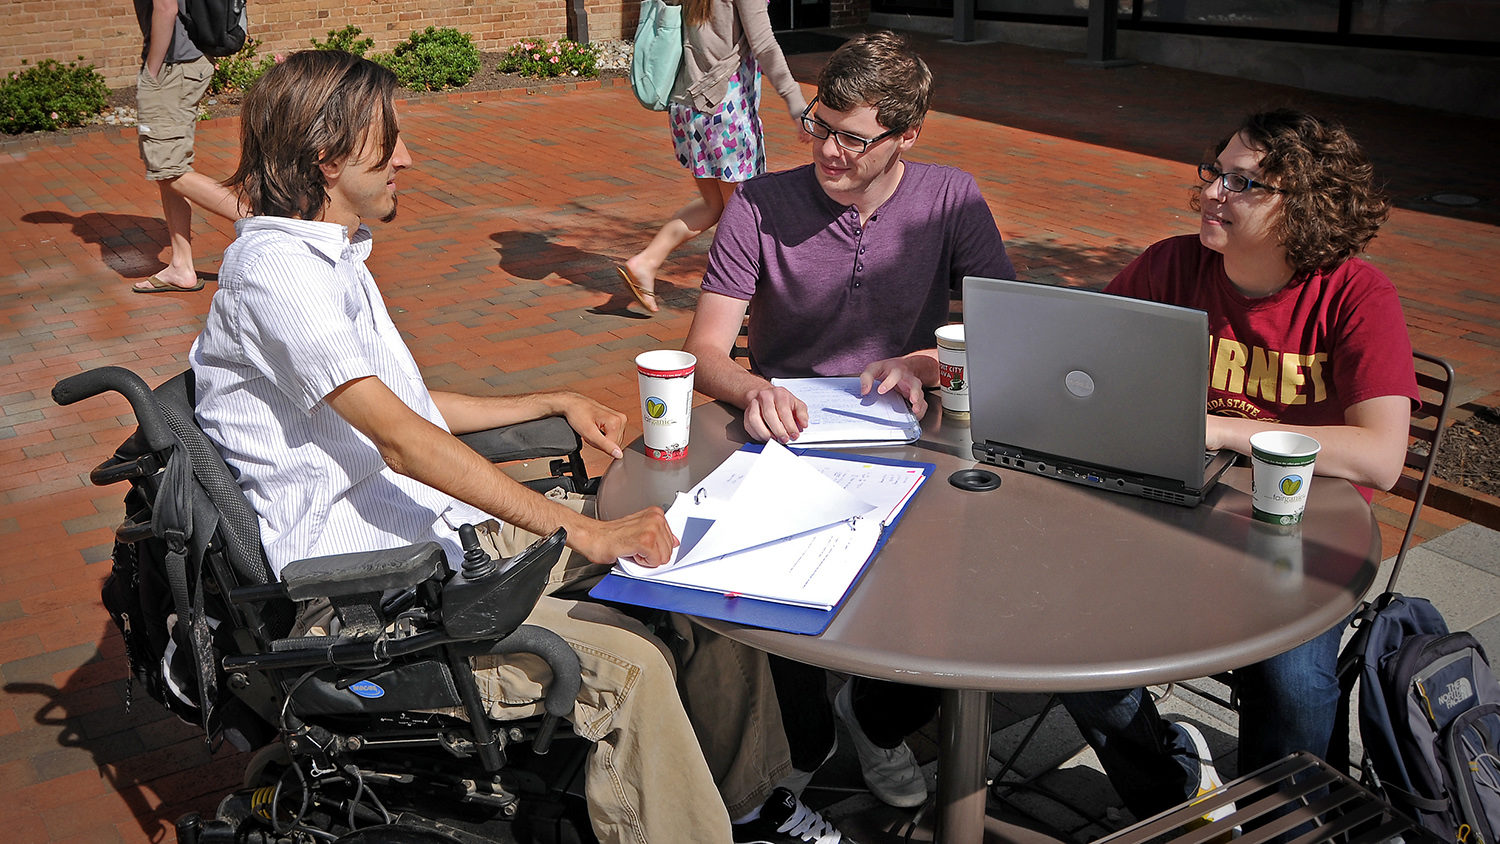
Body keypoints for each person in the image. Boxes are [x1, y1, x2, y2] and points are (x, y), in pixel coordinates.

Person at [189, 50, 856, 844]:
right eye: (388, 140)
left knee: (693, 575)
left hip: (435, 542)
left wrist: (551, 398)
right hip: (372, 593)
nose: (406, 156)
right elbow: (404, 442)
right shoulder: (279, 274)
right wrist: (582, 530)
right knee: (629, 671)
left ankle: (751, 805)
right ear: (328, 158)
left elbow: (397, 404)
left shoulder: (325, 252)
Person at [681, 31, 1015, 807]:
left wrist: (929, 364)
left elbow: (1007, 326)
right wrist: (748, 387)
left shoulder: (950, 196)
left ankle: (875, 719)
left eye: (855, 140)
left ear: (907, 136)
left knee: (951, 606)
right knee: (772, 604)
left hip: (915, 438)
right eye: (821, 127)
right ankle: (806, 738)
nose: (831, 152)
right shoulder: (762, 204)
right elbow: (704, 349)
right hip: (787, 440)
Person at [1059, 109, 1420, 824]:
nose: (1212, 193)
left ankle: (1280, 825)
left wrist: (1221, 429)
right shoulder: (1173, 264)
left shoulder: (1354, 294)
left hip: (1300, 534)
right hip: (1173, 516)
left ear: (1305, 206)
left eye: (1243, 182)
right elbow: (1079, 358)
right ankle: (1175, 796)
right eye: (1214, 172)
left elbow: (1381, 455)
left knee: (1294, 681)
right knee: (1067, 639)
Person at [616, 0, 808, 314]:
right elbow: (764, 44)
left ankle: (646, 262)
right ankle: (740, 298)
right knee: (746, 214)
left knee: (714, 205)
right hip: (725, 111)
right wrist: (796, 101)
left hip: (688, 107)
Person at [132, 0, 245, 293]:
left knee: (169, 170)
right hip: (182, 63)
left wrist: (151, 72)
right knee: (168, 169)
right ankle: (181, 265)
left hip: (171, 67)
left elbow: (166, 7)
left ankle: (260, 220)